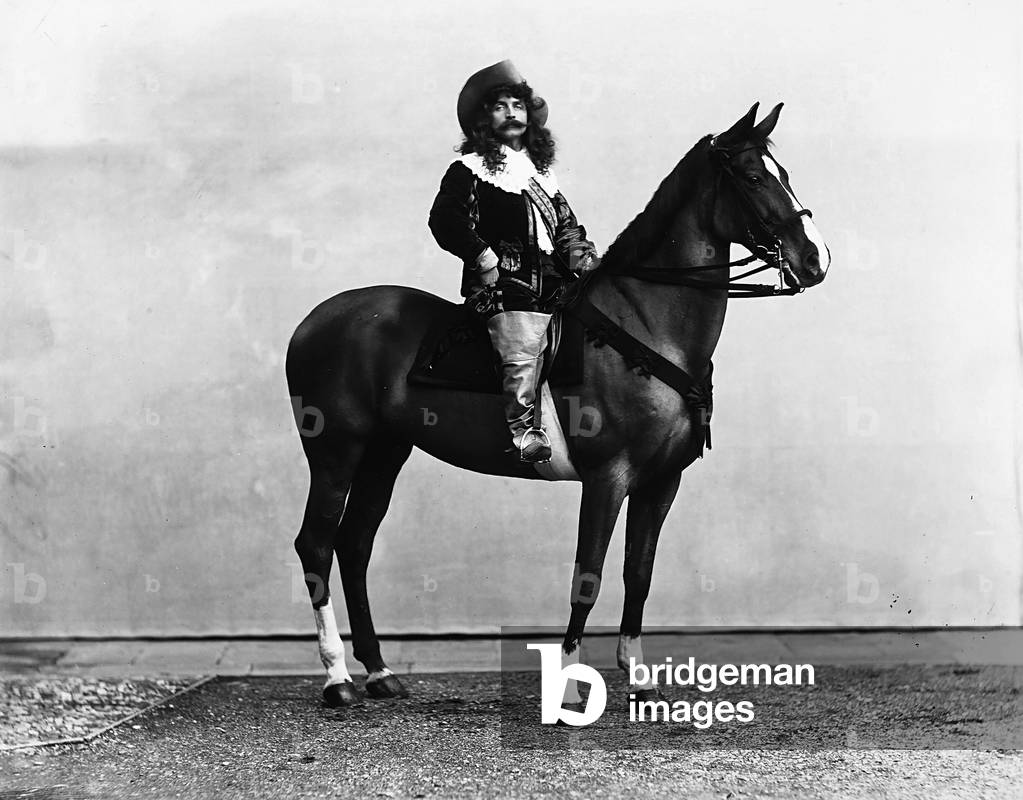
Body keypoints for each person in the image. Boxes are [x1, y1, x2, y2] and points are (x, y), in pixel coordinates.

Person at [429, 60, 599, 463]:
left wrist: (590, 265)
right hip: (503, 287)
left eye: (517, 104)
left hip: (555, 286)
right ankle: (525, 432)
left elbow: (568, 231)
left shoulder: (542, 175)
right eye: (500, 105)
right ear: (485, 119)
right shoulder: (469, 170)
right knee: (522, 340)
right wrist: (481, 254)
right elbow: (445, 220)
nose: (511, 112)